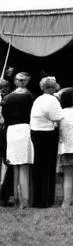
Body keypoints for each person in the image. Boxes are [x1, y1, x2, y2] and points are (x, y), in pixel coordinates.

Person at [30, 76, 63, 208]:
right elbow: (57, 117)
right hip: (47, 134)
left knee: (38, 165)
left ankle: (37, 198)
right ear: (52, 88)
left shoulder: (38, 99)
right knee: (47, 166)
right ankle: (46, 198)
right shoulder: (52, 100)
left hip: (35, 132)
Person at [2, 72, 34, 208]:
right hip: (25, 129)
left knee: (14, 165)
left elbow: (4, 117)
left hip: (11, 131)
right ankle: (24, 201)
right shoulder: (30, 97)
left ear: (16, 82)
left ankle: (15, 199)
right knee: (24, 167)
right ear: (26, 82)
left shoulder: (8, 98)